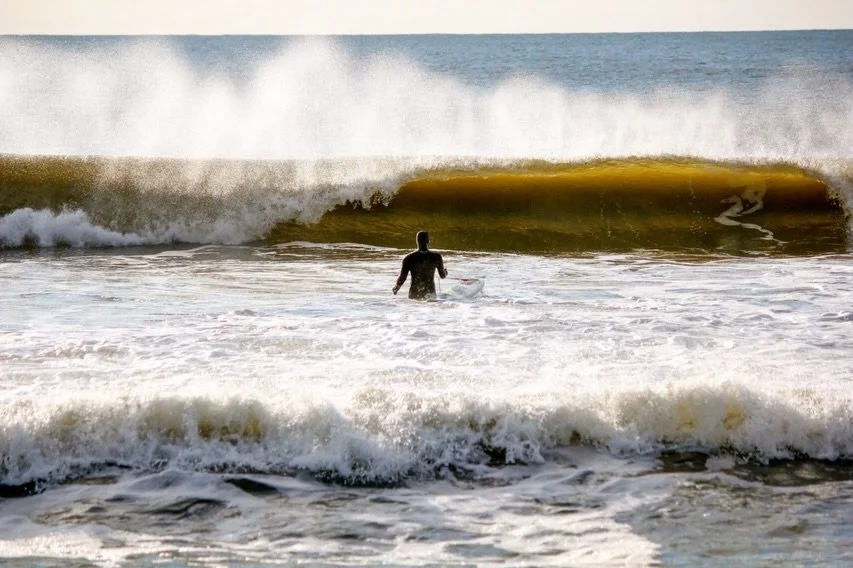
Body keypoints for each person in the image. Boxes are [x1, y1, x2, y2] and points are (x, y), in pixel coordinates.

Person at [393, 231, 447, 300]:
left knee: (415, 311)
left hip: (414, 294)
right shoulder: (436, 257)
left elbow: (402, 277)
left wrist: (396, 287)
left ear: (417, 241)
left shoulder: (409, 258)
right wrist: (445, 272)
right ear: (428, 241)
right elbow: (442, 276)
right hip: (430, 294)